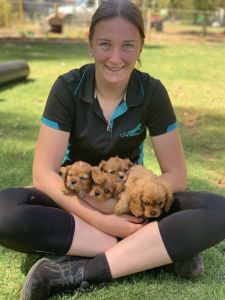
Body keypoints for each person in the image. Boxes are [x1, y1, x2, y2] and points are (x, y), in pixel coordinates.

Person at [0, 0, 225, 299]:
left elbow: (176, 174)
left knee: (218, 210)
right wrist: (101, 216)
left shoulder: (152, 92)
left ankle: (74, 272)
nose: (115, 58)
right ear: (90, 43)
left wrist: (128, 202)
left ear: (142, 46)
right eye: (105, 44)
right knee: (5, 210)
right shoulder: (67, 88)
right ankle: (153, 254)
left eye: (128, 46)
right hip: (76, 202)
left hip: (132, 203)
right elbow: (44, 172)